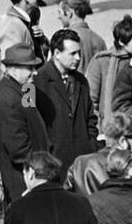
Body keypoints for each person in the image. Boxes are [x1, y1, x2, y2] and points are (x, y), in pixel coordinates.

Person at [0, 44, 49, 203]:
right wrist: (41, 173)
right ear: (13, 69)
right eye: (29, 68)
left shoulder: (22, 87)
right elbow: (19, 150)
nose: (34, 72)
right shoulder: (8, 97)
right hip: (21, 183)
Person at [33, 29, 98, 174]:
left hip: (81, 162)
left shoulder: (81, 81)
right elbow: (31, 122)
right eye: (72, 53)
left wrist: (90, 144)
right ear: (56, 53)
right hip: (53, 162)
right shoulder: (36, 80)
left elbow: (90, 117)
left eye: (79, 53)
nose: (78, 58)